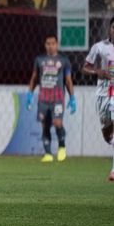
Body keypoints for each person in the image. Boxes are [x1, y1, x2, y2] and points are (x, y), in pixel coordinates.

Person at [26, 34, 76, 163]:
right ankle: (48, 154)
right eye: (48, 43)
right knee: (45, 125)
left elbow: (68, 80)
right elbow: (34, 78)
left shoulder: (64, 60)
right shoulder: (39, 60)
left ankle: (62, 147)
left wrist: (72, 98)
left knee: (57, 123)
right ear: (45, 45)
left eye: (53, 43)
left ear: (57, 44)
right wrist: (30, 95)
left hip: (57, 98)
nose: (50, 46)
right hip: (43, 98)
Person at [82, 17, 114, 180]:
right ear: (110, 29)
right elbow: (85, 68)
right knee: (108, 136)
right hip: (102, 94)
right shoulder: (100, 47)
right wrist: (98, 72)